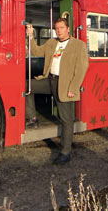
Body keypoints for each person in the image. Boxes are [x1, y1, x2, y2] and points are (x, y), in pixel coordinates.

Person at [25, 18, 89, 164]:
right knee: (27, 86)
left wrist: (73, 87)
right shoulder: (52, 43)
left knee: (66, 119)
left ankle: (66, 152)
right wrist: (31, 35)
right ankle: (32, 118)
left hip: (65, 84)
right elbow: (36, 51)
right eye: (56, 28)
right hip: (50, 80)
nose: (58, 30)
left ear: (68, 29)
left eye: (61, 27)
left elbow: (82, 68)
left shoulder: (78, 45)